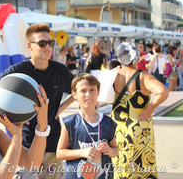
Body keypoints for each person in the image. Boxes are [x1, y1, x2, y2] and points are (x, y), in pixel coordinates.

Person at [0, 23, 75, 178]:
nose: (47, 47)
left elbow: (78, 89)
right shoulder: (18, 70)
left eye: (50, 43)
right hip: (26, 145)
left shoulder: (60, 70)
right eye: (42, 43)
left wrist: (60, 108)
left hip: (52, 143)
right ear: (29, 46)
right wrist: (6, 112)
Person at [111, 42, 169, 179]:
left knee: (120, 165)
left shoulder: (113, 74)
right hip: (138, 128)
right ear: (136, 56)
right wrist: (151, 109)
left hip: (117, 127)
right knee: (142, 167)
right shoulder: (142, 77)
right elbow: (163, 92)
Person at [57, 73, 118, 179]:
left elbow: (115, 151)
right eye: (83, 91)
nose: (88, 94)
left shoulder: (108, 122)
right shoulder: (70, 122)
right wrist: (82, 152)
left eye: (92, 90)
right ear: (74, 94)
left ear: (98, 92)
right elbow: (60, 153)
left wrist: (110, 150)